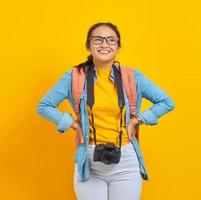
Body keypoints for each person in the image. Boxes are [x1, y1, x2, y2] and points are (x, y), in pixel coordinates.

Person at [36, 22, 175, 200]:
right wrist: (72, 124)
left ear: (118, 47)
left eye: (111, 40)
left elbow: (166, 101)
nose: (104, 44)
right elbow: (44, 105)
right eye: (98, 39)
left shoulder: (132, 77)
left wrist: (137, 119)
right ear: (89, 45)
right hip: (89, 160)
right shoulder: (74, 77)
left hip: (125, 158)